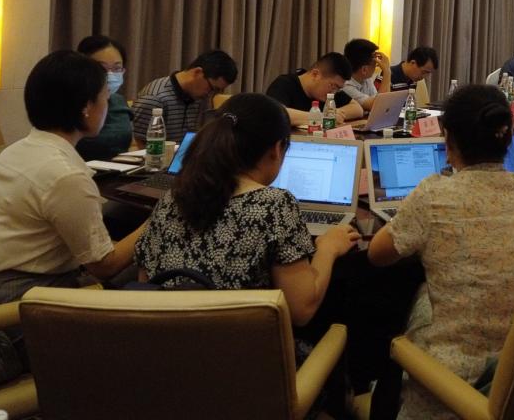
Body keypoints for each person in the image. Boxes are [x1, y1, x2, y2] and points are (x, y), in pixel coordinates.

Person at [368, 84, 514, 419]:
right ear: (507, 139)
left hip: (455, 387)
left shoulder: (432, 195)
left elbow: (377, 254)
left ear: (449, 140)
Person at [135, 93, 359, 325]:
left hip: (159, 338)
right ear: (277, 149)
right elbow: (301, 310)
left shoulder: (174, 196)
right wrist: (328, 248)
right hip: (237, 344)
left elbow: (145, 279)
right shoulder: (274, 205)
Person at [0, 51, 146, 307]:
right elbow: (104, 266)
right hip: (23, 294)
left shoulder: (18, 149)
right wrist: (156, 221)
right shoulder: (65, 175)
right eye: (105, 97)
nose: (108, 104)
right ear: (86, 108)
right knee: (151, 269)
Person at [132, 49, 238, 145]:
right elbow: (143, 148)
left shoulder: (200, 98)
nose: (210, 95)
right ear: (197, 72)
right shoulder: (154, 98)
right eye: (211, 88)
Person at [75, 35, 133, 161]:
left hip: (121, 169)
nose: (110, 75)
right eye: (101, 68)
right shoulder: (73, 102)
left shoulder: (119, 101)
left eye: (117, 68)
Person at [266, 52, 363, 127]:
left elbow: (357, 108)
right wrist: (324, 117)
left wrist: (333, 114)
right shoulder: (284, 84)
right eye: (333, 86)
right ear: (315, 74)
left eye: (338, 89)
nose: (334, 92)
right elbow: (277, 114)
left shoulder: (330, 93)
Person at [340, 38, 391, 112]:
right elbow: (379, 105)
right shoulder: (346, 86)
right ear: (364, 70)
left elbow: (384, 103)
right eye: (375, 64)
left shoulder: (366, 79)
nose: (376, 66)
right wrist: (387, 72)